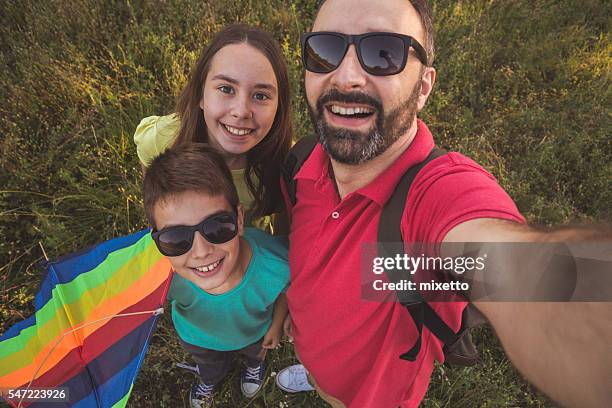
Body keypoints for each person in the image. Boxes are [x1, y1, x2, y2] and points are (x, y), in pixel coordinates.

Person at [277, 0, 611, 407]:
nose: (346, 77)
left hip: (372, 397)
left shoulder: (438, 196)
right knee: (317, 373)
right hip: (309, 345)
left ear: (423, 88)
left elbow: (522, 271)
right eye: (324, 50)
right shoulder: (302, 161)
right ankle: (314, 374)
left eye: (384, 54)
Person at [142, 143, 290, 408]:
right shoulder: (162, 276)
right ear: (157, 241)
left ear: (240, 220)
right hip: (198, 340)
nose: (201, 252)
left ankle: (253, 366)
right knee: (209, 366)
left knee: (256, 355)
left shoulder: (277, 262)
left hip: (255, 334)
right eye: (176, 238)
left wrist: (276, 324)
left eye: (218, 226)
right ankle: (209, 379)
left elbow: (285, 290)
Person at [134, 24, 292, 233]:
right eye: (226, 89)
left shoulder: (288, 162)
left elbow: (285, 232)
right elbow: (154, 193)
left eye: (260, 95)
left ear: (279, 106)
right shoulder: (164, 140)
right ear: (200, 94)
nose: (241, 111)